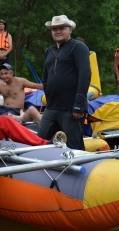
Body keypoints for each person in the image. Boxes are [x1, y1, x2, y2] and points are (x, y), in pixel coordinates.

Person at [38, 15, 90, 151]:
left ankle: (81, 169)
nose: (58, 31)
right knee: (40, 140)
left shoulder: (78, 47)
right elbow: (45, 76)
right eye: (54, 29)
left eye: (62, 28)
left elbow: (85, 75)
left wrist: (79, 104)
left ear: (70, 29)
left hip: (71, 108)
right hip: (51, 107)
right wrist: (48, 95)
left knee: (74, 144)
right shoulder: (49, 50)